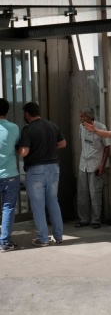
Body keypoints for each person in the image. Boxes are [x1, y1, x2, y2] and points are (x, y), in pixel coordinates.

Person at [18, 102, 67, 247]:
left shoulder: (28, 129)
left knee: (38, 205)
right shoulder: (52, 125)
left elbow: (24, 152)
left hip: (36, 171)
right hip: (53, 168)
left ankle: (43, 238)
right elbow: (63, 143)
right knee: (53, 202)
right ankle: (58, 236)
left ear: (27, 114)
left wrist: (18, 149)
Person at [76, 108, 110, 229]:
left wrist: (103, 165)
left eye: (82, 116)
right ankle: (83, 219)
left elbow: (107, 147)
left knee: (95, 193)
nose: (80, 119)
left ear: (90, 118)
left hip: (96, 164)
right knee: (82, 193)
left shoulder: (101, 127)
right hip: (83, 164)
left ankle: (96, 219)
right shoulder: (81, 127)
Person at [0, 99, 21, 252]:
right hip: (10, 175)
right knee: (8, 208)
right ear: (7, 111)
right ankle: (5, 242)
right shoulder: (14, 128)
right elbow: (19, 147)